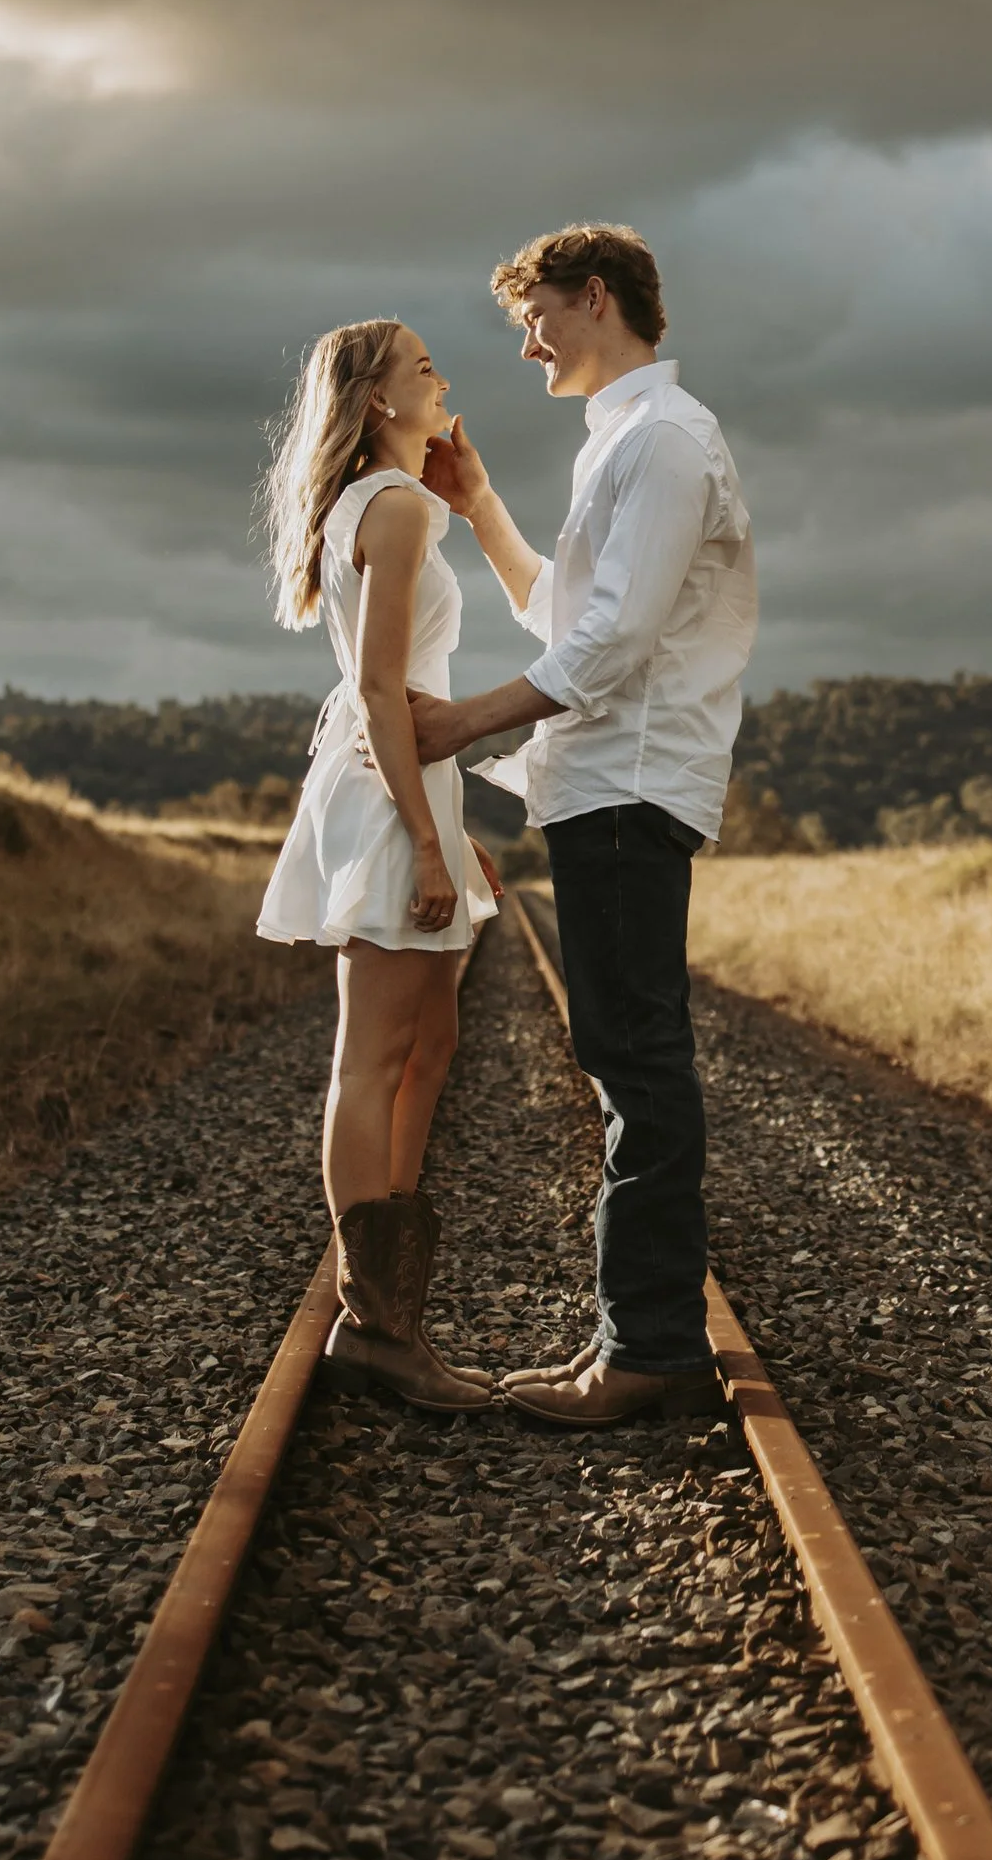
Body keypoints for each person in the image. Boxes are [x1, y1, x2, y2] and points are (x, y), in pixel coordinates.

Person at [408, 224, 757, 1427]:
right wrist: (481, 507)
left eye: (537, 315)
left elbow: (605, 647)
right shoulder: (623, 442)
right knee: (625, 1056)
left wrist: (459, 725)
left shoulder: (663, 440)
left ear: (596, 297)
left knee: (636, 1065)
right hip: (603, 781)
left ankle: (651, 1350)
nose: (526, 345)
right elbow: (571, 613)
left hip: (630, 781)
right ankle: (639, 1337)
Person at [256, 318, 503, 1411]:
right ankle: (375, 1323)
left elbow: (400, 691)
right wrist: (416, 833)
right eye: (423, 369)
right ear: (376, 403)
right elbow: (376, 687)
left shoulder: (404, 504)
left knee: (429, 1041)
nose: (443, 376)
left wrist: (447, 824)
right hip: (384, 791)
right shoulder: (394, 509)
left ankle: (390, 1300)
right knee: (374, 1055)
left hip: (406, 787)